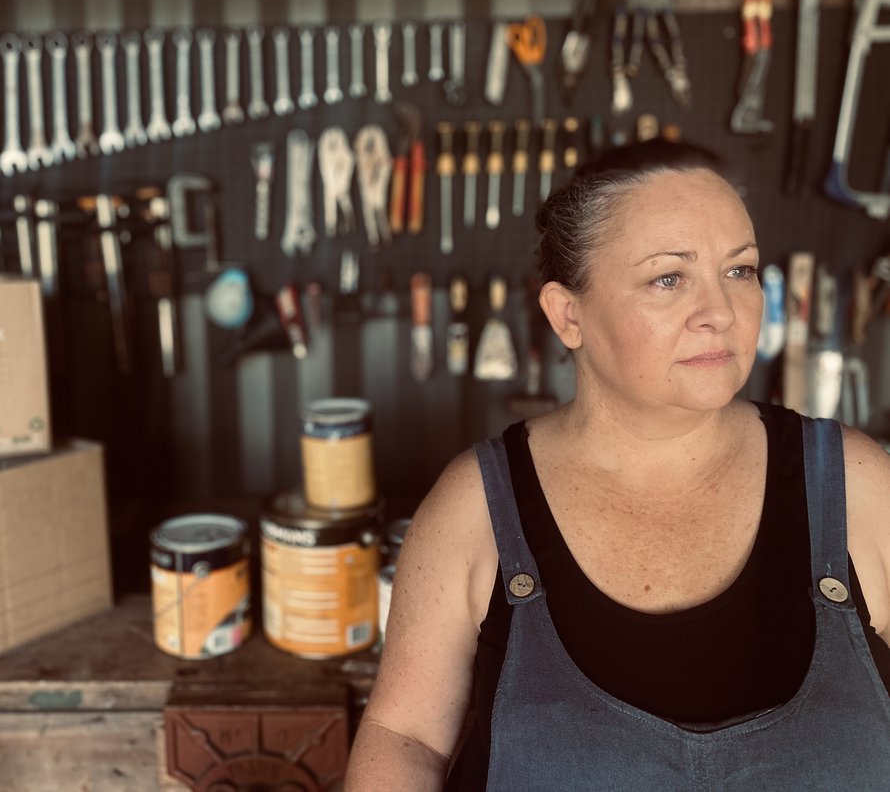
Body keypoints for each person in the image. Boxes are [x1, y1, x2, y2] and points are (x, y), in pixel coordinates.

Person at [345, 139, 890, 790]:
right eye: (669, 278)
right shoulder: (476, 509)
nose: (721, 313)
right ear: (568, 315)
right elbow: (405, 740)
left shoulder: (856, 485)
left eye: (739, 271)